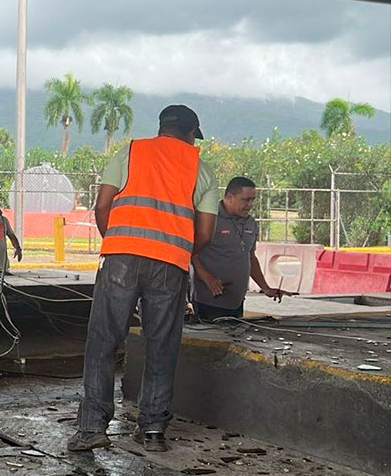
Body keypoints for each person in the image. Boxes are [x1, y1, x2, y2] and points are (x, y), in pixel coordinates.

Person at [68, 105, 219, 453]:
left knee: (103, 340)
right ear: (190, 132)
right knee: (161, 344)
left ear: (162, 127)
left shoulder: (130, 152)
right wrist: (177, 248)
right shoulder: (201, 169)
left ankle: (92, 427)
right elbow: (206, 232)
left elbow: (102, 205)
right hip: (171, 264)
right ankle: (152, 429)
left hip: (121, 256)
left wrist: (118, 242)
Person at [193, 177, 296, 319]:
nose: (250, 205)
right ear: (229, 198)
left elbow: (250, 257)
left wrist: (265, 287)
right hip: (209, 301)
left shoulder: (251, 223)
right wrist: (207, 278)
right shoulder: (209, 219)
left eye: (253, 199)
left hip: (236, 301)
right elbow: (191, 253)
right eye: (245, 200)